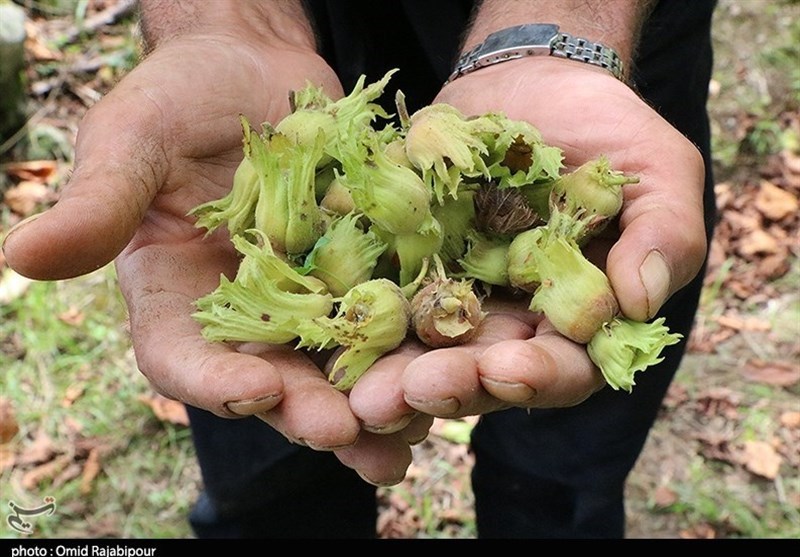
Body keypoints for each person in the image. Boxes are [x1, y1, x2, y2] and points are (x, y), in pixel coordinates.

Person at [2, 0, 718, 539]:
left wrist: (556, 27)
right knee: (268, 441)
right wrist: (220, 25)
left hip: (581, 47)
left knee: (561, 466)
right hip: (287, 46)